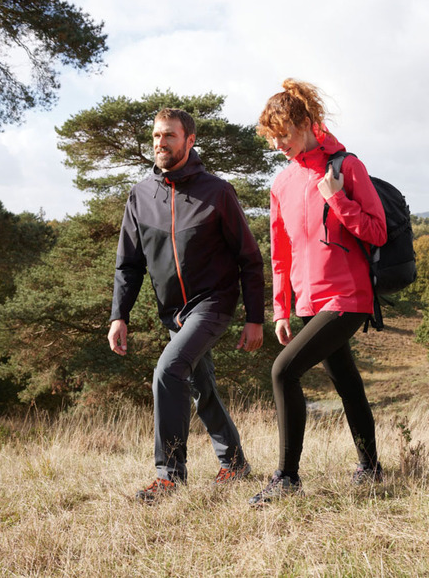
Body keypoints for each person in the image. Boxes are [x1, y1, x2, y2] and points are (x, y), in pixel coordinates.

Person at [108, 108, 265, 503]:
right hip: (172, 311)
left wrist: (255, 318)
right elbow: (128, 264)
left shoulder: (217, 191)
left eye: (169, 137)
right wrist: (118, 315)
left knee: (169, 369)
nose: (160, 144)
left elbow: (250, 258)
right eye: (157, 137)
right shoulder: (141, 195)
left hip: (213, 302)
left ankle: (169, 476)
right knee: (199, 383)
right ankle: (235, 464)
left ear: (189, 140)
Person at [249, 80, 387, 506]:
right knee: (346, 382)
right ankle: (371, 468)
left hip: (347, 298)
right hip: (309, 302)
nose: (279, 145)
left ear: (306, 122)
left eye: (284, 134)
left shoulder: (346, 167)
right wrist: (282, 309)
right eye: (272, 138)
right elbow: (280, 254)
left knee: (282, 372)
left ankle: (287, 477)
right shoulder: (282, 183)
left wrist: (339, 199)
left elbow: (377, 232)